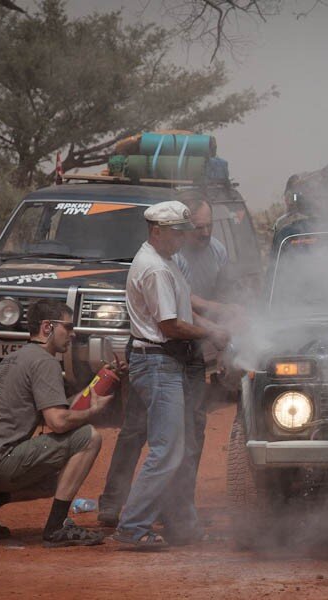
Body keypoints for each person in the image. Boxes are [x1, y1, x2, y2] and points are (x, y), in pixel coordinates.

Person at [112, 200, 230, 548]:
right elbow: (171, 325)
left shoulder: (165, 262)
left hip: (164, 361)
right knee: (166, 451)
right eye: (177, 233)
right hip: (158, 360)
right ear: (157, 230)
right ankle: (132, 526)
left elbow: (183, 312)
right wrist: (212, 333)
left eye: (184, 232)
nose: (183, 239)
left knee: (177, 447)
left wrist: (212, 325)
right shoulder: (157, 268)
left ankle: (179, 523)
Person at [0, 298, 113, 547]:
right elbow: (59, 422)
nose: (72, 334)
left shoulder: (17, 357)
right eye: (68, 327)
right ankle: (56, 527)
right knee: (89, 437)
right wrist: (93, 412)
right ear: (47, 327)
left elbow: (59, 408)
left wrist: (97, 384)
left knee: (58, 479)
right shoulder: (45, 361)